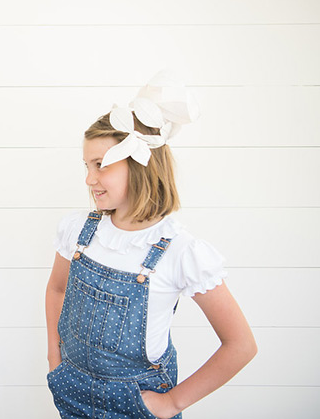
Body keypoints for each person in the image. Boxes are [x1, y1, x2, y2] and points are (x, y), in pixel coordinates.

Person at [45, 72, 257, 419]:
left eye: (100, 165)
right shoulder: (77, 230)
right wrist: (55, 359)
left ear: (139, 165)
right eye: (86, 165)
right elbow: (56, 290)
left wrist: (172, 402)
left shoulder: (180, 252)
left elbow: (241, 345)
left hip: (137, 407)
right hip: (71, 393)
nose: (89, 178)